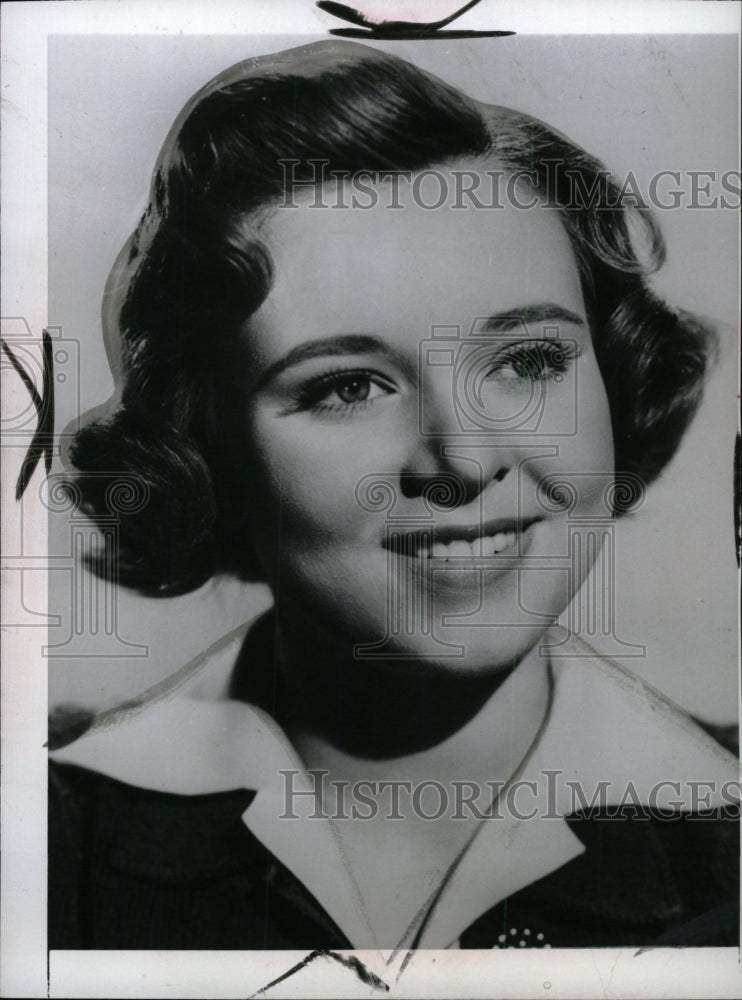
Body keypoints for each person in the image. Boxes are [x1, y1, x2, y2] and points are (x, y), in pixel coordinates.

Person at [48, 40, 738, 951]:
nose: (464, 457)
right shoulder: (47, 842)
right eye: (347, 386)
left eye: (529, 360)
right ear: (203, 450)